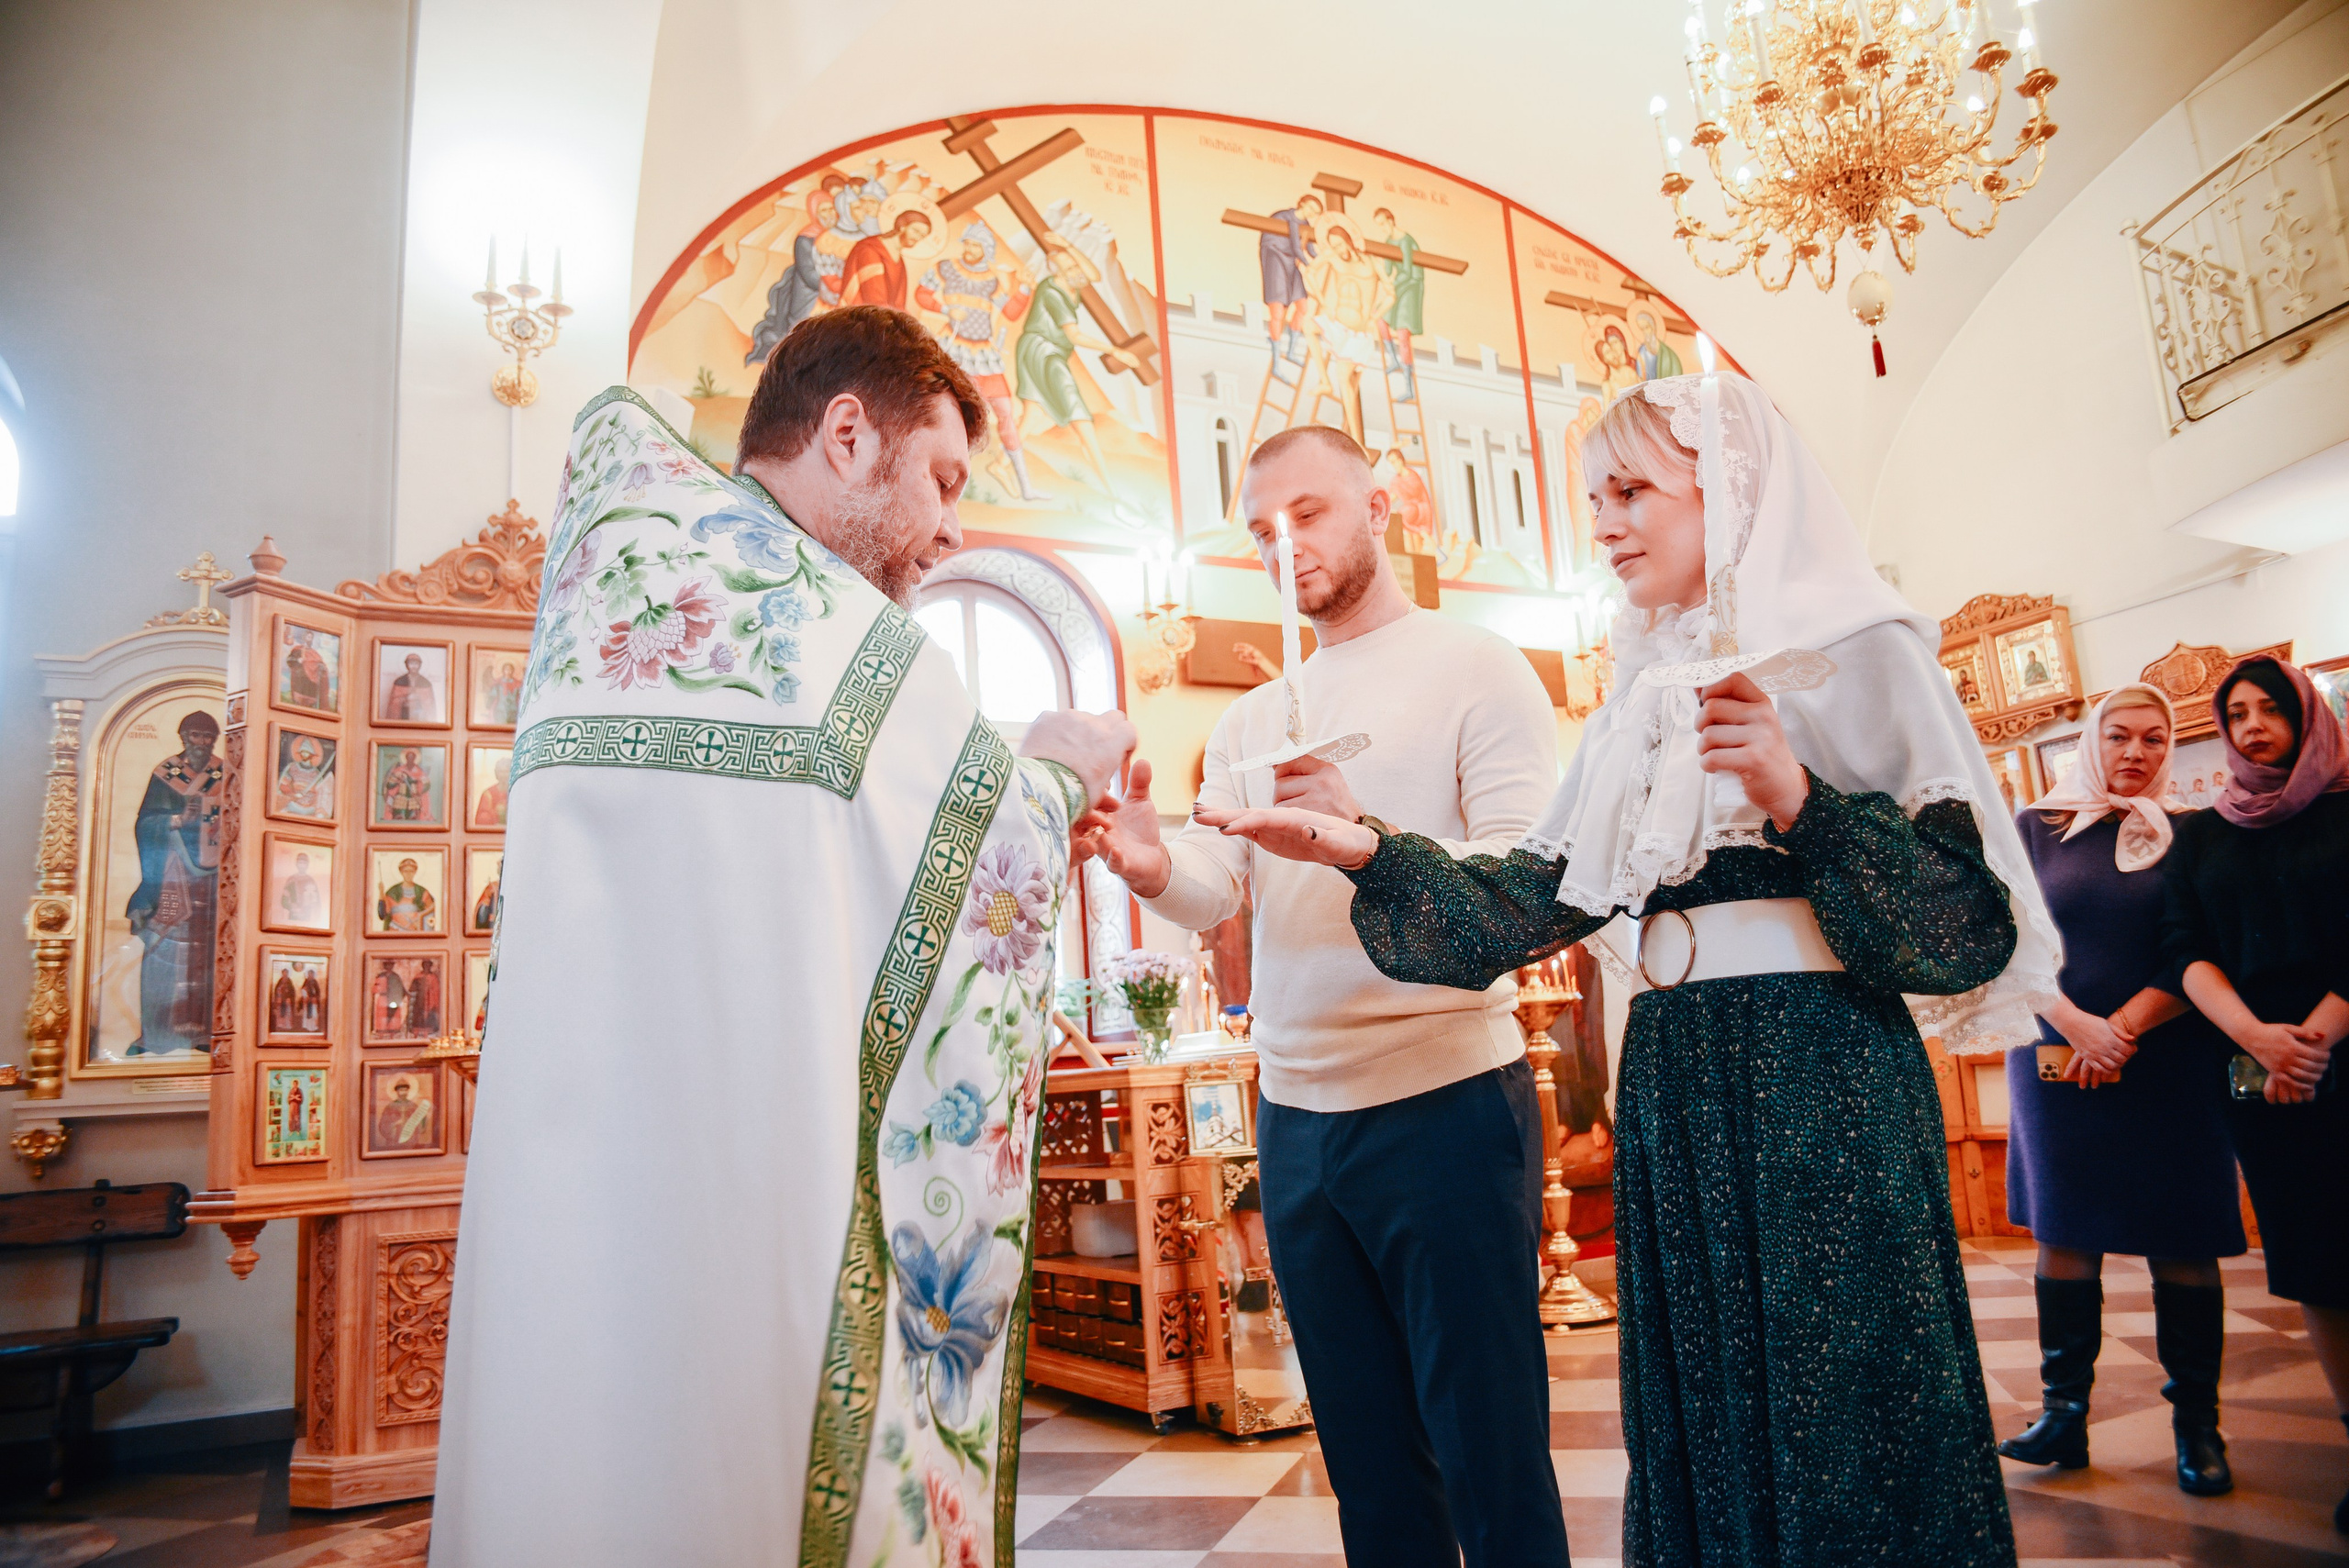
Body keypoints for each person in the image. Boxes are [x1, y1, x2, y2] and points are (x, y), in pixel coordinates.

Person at [1192, 373, 2058, 1567]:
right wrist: (1361, 846)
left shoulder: (1857, 644)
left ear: (1729, 488)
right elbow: (1525, 902)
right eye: (1593, 497)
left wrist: (1799, 798)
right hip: (1676, 1079)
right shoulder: (1640, 690)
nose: (1601, 523)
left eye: (1630, 490)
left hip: (1815, 1078)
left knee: (1837, 1415)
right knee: (1704, 1422)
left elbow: (1964, 923)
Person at [431, 306, 1136, 1568]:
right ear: (848, 435)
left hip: (579, 1203)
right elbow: (984, 851)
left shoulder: (636, 582)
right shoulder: (823, 627)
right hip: (756, 1208)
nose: (954, 529)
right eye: (943, 480)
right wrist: (1057, 773)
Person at [1080, 424, 1567, 1568]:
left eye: (1308, 513)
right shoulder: (1252, 717)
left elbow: (1526, 873)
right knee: (1366, 1456)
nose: (1282, 543)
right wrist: (1151, 867)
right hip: (1297, 1116)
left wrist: (1366, 836)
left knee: (1488, 1444)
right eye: (1260, 529)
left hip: (1445, 1096)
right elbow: (1219, 886)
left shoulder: (1477, 664)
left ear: (1379, 508)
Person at [1996, 685, 2242, 1496]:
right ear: (2091, 741)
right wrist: (2076, 1026)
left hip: (2170, 1061)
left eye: (2154, 738)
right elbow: (2010, 943)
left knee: (2183, 1235)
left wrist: (2122, 1029)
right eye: (2120, 736)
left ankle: (2197, 1427)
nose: (2136, 751)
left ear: (2171, 746)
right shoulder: (2035, 827)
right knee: (2066, 1229)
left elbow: (2205, 949)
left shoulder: (2195, 833)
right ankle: (2063, 1415)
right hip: (2056, 1053)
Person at [2161, 654, 2349, 1533]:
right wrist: (2258, 1038)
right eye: (2236, 714)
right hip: (2258, 1072)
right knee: (2319, 1262)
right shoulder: (2204, 834)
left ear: (2306, 715)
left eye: (2270, 709)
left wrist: (2310, 1039)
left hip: (2332, 1044)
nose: (2253, 727)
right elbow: (2185, 948)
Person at [916, 222, 1041, 501]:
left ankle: (1025, 485)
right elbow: (922, 293)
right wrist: (945, 308)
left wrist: (1024, 288)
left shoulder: (994, 280)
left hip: (984, 354)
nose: (970, 250)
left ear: (986, 250)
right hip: (956, 350)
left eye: (976, 246)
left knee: (1006, 412)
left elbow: (1010, 312)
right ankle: (942, 488)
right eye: (968, 244)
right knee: (948, 414)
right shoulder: (946, 268)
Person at [125, 709, 223, 1056]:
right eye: (195, 735)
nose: (201, 743)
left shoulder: (225, 773)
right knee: (164, 945)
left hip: (214, 880)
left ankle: (206, 1031)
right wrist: (177, 819)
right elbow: (145, 822)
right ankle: (157, 1034)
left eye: (207, 737)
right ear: (183, 737)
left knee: (210, 951)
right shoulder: (167, 773)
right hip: (173, 872)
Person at [376, 859, 436, 933]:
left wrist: (419, 922)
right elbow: (382, 915)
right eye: (405, 871)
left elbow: (430, 912)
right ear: (401, 872)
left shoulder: (422, 892)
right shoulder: (392, 892)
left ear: (415, 872)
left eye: (411, 871)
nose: (408, 874)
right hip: (395, 931)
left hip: (416, 932)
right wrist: (381, 893)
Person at [387, 652, 438, 721]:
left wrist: (418, 698)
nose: (414, 666)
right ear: (407, 665)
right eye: (411, 664)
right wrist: (405, 698)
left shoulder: (426, 683)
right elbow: (394, 703)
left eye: (416, 664)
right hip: (403, 714)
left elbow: (429, 705)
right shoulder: (399, 682)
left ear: (419, 665)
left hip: (420, 715)